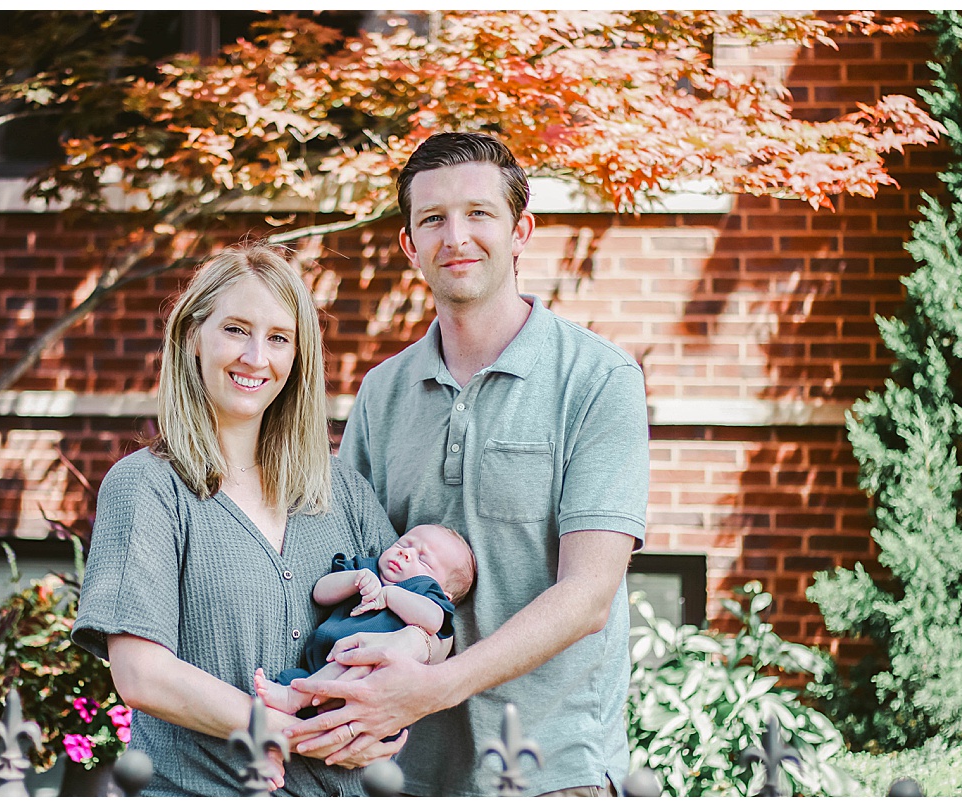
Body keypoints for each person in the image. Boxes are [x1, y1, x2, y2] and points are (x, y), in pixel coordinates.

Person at [282, 132, 650, 797]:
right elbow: (346, 562)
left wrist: (432, 686)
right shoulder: (382, 392)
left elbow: (588, 595)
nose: (457, 236)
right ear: (409, 245)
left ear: (520, 231)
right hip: (403, 769)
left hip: (549, 770)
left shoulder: (598, 379)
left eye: (479, 213)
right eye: (433, 219)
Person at [71, 243, 416, 796]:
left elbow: (426, 615)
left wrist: (388, 710)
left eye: (279, 338)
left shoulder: (341, 490)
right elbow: (140, 674)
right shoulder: (147, 488)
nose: (257, 357)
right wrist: (293, 731)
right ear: (192, 338)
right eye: (235, 329)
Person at [254, 523, 476, 716]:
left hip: (368, 681)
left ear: (443, 594)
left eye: (424, 560)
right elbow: (319, 593)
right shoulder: (367, 568)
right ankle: (273, 750)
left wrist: (390, 595)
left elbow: (434, 620)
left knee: (351, 662)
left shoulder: (424, 593)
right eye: (404, 544)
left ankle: (295, 698)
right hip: (316, 666)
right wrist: (355, 579)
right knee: (285, 687)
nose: (406, 554)